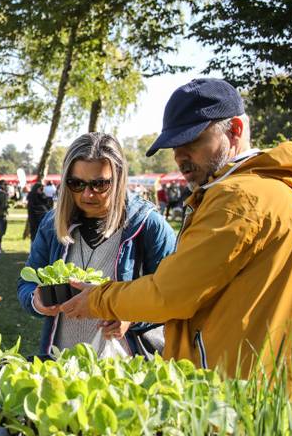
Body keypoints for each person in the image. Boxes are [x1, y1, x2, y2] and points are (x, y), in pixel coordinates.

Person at [61, 79, 292, 392]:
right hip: (253, 380)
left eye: (193, 141)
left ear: (235, 130)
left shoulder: (239, 197)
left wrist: (99, 299)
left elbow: (169, 295)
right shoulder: (263, 189)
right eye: (174, 145)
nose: (180, 156)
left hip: (231, 388)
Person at [18, 132, 176, 357]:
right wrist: (36, 301)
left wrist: (131, 317)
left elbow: (173, 297)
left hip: (123, 369)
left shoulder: (148, 225)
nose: (87, 194)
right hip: (60, 362)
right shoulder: (52, 225)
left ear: (119, 178)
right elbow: (26, 282)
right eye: (76, 183)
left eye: (99, 184)